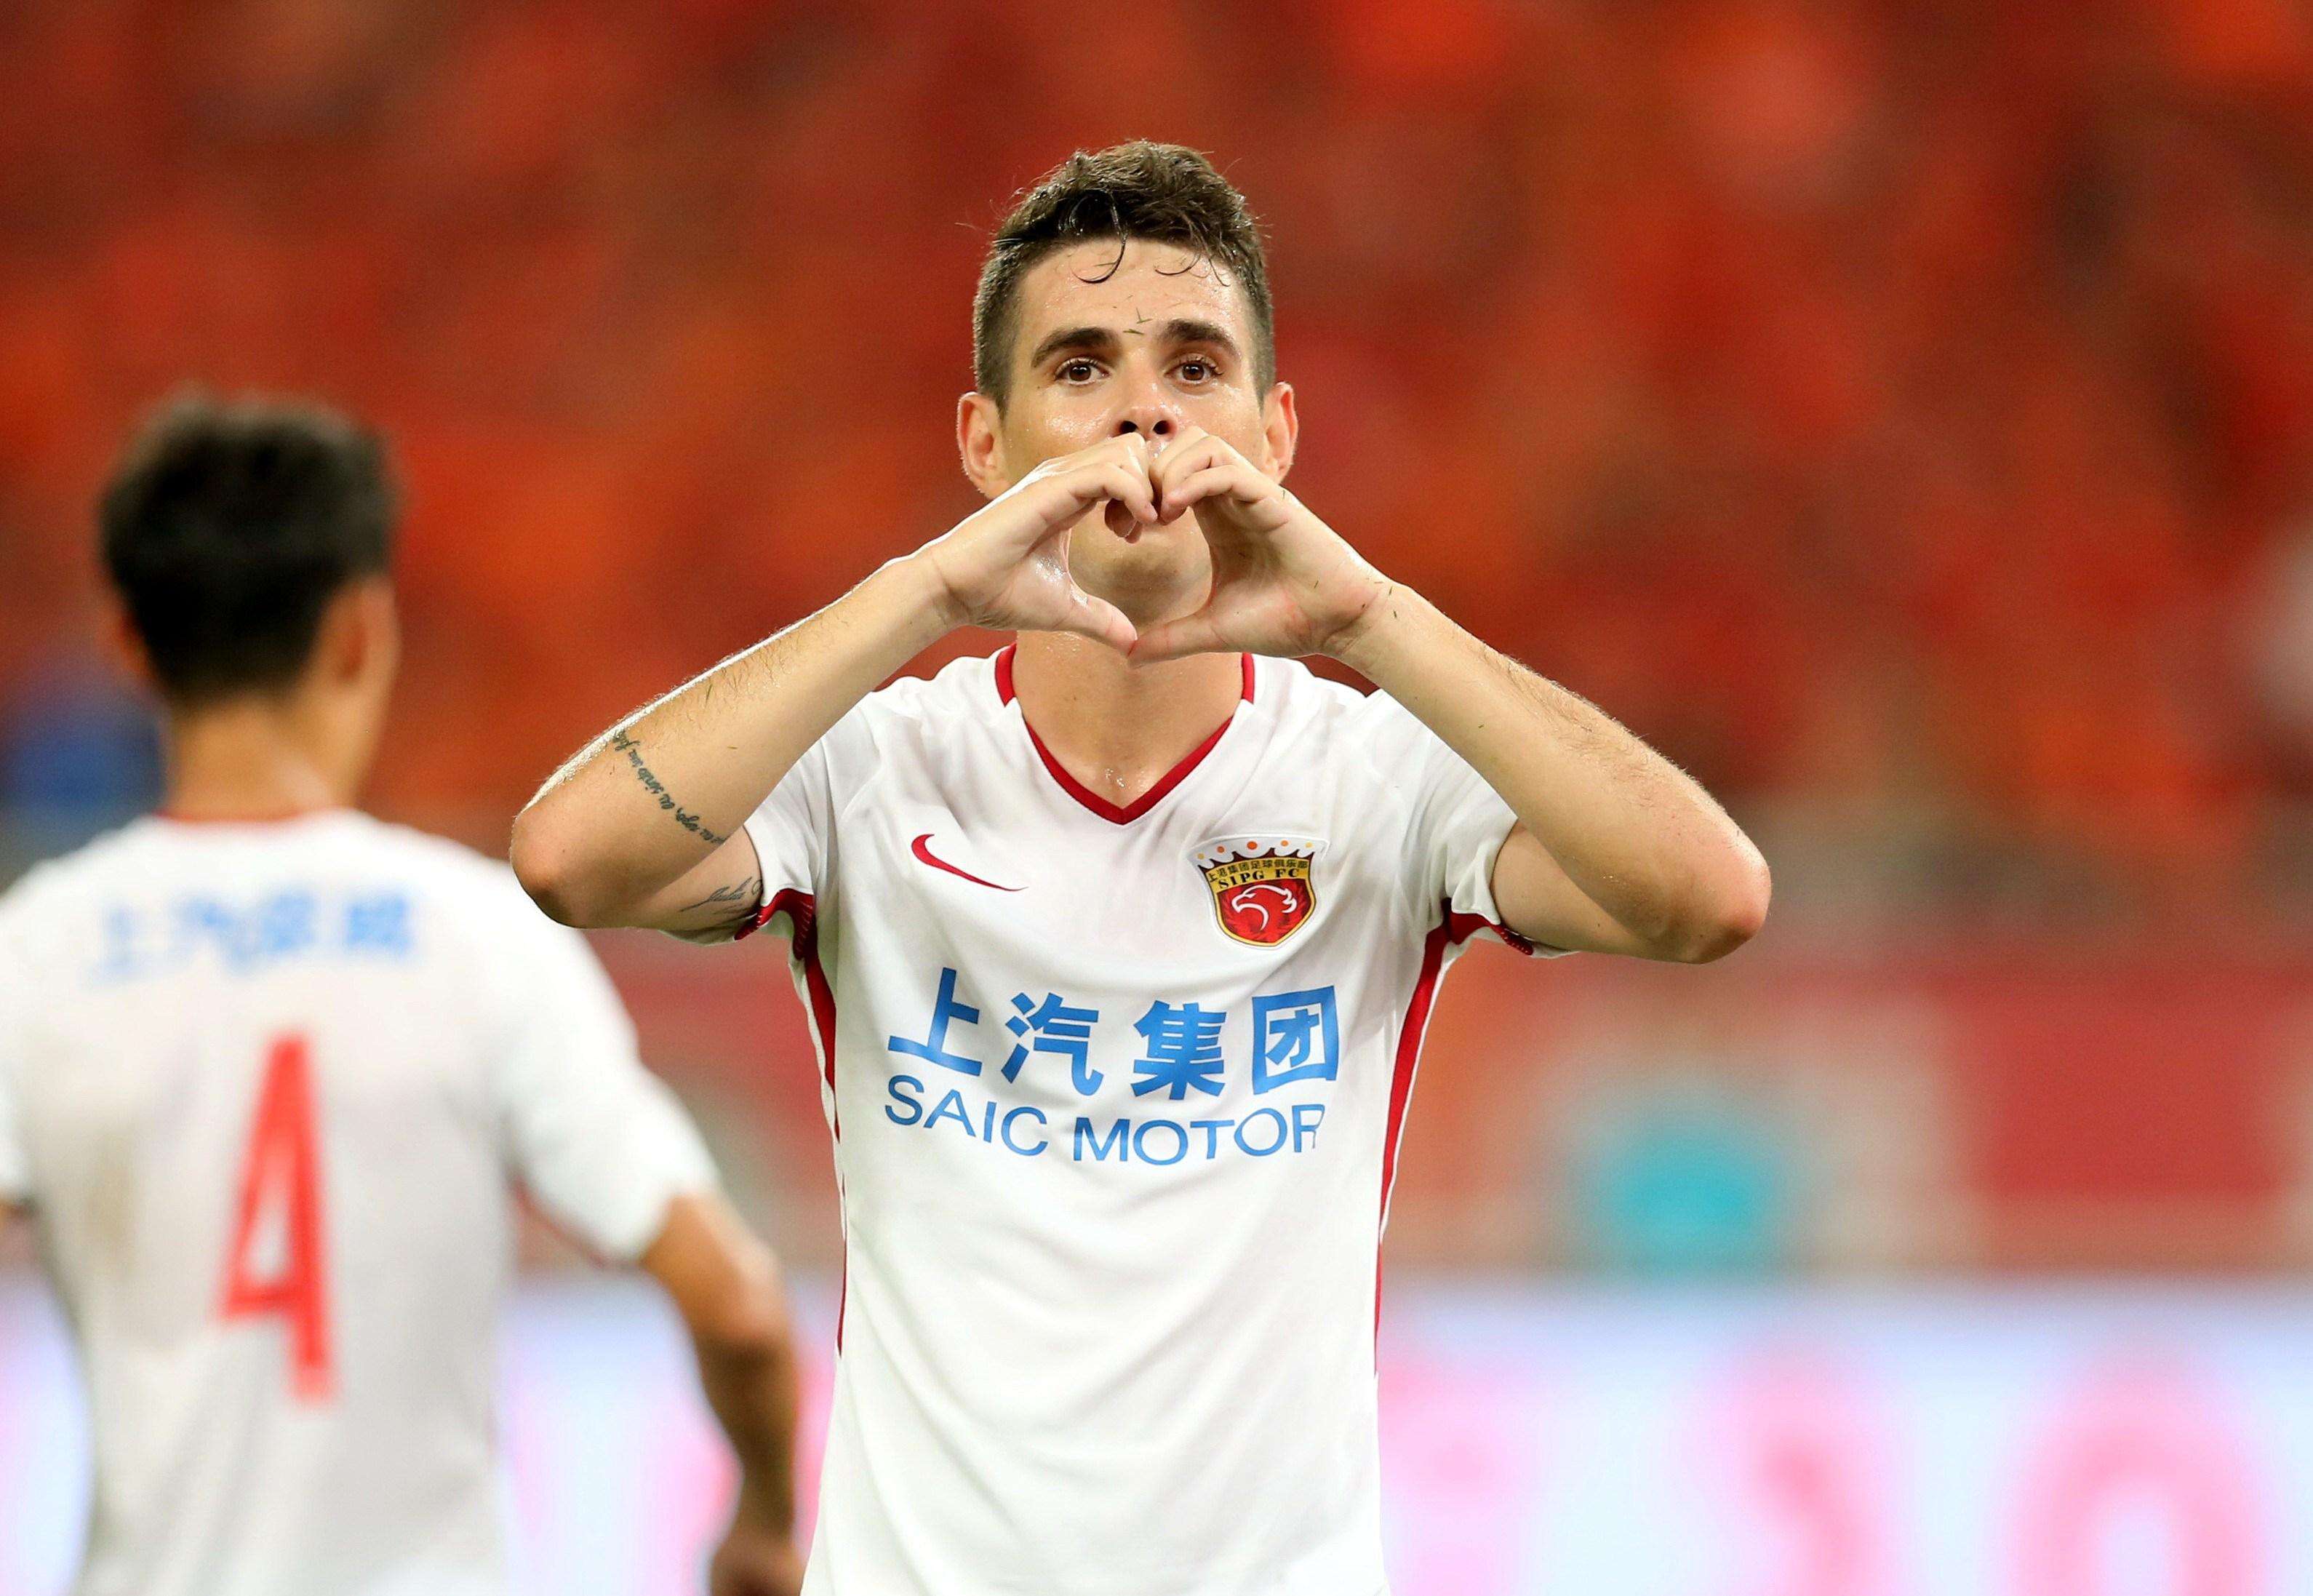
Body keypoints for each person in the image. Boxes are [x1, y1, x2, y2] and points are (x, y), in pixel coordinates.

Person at [512, 141, 1770, 1595]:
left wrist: (1368, 617)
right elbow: (569, 859)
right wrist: (926, 588)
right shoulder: (874, 772)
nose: (1145, 412)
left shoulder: (1377, 779)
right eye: (1081, 367)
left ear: (1274, 431)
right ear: (987, 443)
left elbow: (1711, 897)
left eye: (1194, 365)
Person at [0, 396, 804, 1596]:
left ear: (129, 642)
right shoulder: (476, 933)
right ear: (359, 629)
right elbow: (737, 1304)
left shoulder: (40, 950)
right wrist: (763, 1522)